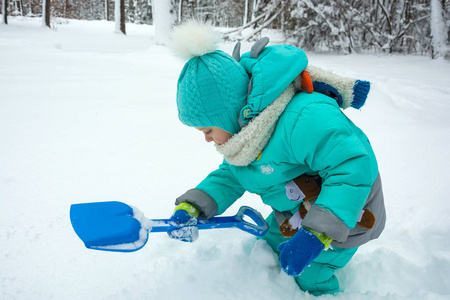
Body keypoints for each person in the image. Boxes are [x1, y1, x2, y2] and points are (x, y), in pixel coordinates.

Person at [167, 20, 386, 296]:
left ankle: (324, 291)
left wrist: (316, 233)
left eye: (208, 129)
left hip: (348, 215)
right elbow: (231, 176)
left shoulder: (303, 119)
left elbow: (353, 166)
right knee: (270, 247)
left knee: (311, 272)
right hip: (297, 212)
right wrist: (194, 206)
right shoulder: (246, 138)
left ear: (231, 112)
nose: (207, 139)